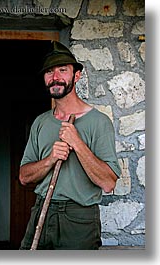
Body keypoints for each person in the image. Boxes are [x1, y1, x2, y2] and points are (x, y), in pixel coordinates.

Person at [19, 41, 121, 250]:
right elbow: (24, 176)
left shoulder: (99, 122)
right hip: (41, 211)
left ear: (77, 76)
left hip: (79, 218)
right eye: (49, 72)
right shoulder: (41, 122)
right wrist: (50, 160)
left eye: (62, 70)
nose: (55, 77)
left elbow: (108, 183)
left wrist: (77, 143)